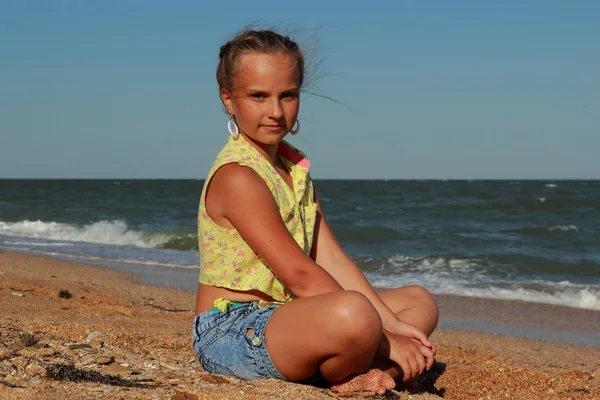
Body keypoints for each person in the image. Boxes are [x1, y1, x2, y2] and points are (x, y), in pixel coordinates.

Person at [192, 28, 439, 397]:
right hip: (232, 330)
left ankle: (359, 367)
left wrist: (390, 324)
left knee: (418, 302)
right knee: (355, 315)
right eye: (258, 96)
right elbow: (300, 274)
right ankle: (364, 365)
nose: (276, 111)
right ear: (228, 100)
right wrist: (387, 339)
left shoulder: (294, 171)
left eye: (287, 96)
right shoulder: (237, 176)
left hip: (289, 315)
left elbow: (331, 258)